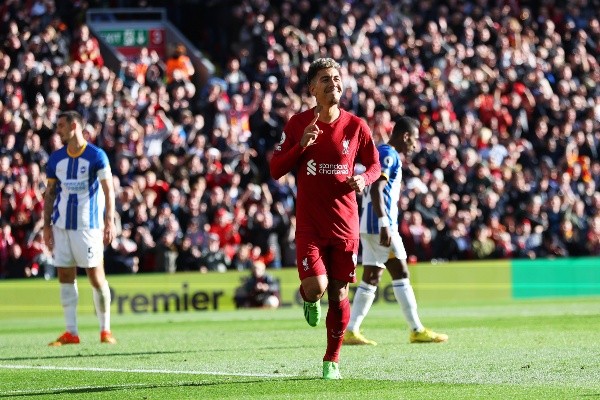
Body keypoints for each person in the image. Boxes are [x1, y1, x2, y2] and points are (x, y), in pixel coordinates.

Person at [269, 58, 381, 379]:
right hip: (310, 225)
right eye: (325, 79)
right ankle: (308, 298)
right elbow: (276, 169)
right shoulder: (297, 124)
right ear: (312, 88)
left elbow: (373, 164)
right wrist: (300, 147)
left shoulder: (356, 126)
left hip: (345, 224)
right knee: (316, 287)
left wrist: (364, 179)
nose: (334, 83)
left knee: (339, 294)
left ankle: (331, 361)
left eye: (337, 78)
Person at [344, 117, 448, 346]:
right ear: (405, 136)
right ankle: (416, 329)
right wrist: (383, 224)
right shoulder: (388, 154)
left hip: (369, 225)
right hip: (380, 225)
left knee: (372, 276)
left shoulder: (381, 152)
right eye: (414, 139)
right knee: (401, 272)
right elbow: (377, 190)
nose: (415, 145)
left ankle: (351, 330)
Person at [43, 111, 117, 346]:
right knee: (65, 275)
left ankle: (105, 330)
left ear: (74, 126)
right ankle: (71, 332)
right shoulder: (56, 159)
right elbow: (50, 194)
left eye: (61, 126)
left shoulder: (97, 156)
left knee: (95, 277)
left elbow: (109, 190)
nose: (58, 130)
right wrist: (46, 225)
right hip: (62, 225)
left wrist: (109, 220)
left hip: (88, 226)